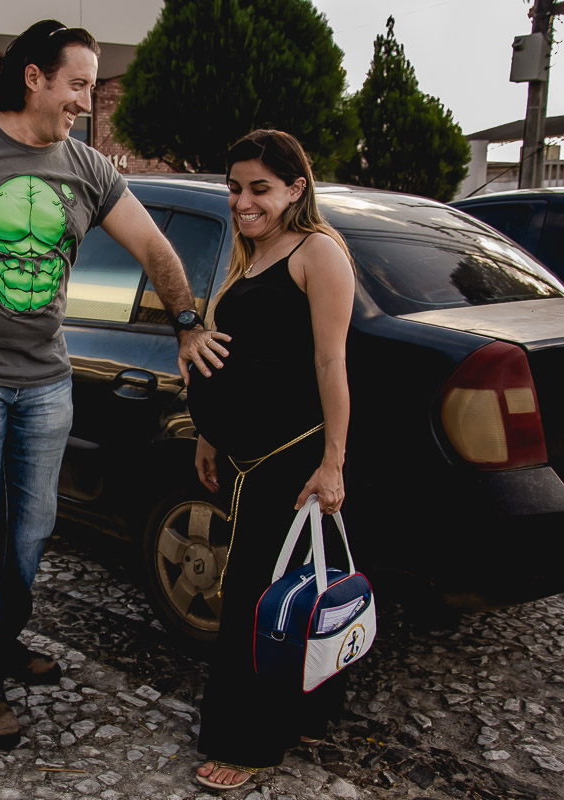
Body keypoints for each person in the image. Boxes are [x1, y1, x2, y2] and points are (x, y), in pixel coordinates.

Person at [0, 19, 225, 751]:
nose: (85, 102)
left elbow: (155, 247)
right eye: (77, 85)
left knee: (30, 531)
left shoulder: (90, 169)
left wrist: (187, 319)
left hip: (44, 379)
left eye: (90, 88)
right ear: (35, 77)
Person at [186, 130, 355, 791]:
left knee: (261, 602)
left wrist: (334, 462)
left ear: (295, 188)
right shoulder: (248, 253)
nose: (243, 200)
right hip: (244, 459)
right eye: (234, 187)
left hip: (293, 460)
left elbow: (331, 362)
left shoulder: (319, 254)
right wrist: (208, 431)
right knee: (280, 596)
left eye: (259, 188)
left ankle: (251, 744)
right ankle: (299, 716)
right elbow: (228, 352)